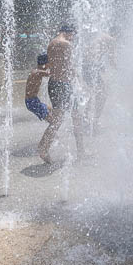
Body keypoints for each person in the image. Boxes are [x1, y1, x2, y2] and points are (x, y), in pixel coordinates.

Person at [36, 24, 83, 163]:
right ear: (69, 33)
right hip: (64, 85)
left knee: (58, 120)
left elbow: (54, 65)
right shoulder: (66, 44)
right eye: (73, 35)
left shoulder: (52, 43)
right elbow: (69, 66)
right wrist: (80, 82)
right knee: (75, 117)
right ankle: (81, 152)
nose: (74, 38)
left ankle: (43, 147)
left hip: (54, 84)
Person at [24, 54, 51, 121]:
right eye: (49, 63)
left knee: (54, 111)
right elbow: (51, 74)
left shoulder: (36, 71)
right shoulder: (38, 72)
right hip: (32, 102)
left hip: (34, 100)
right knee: (53, 121)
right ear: (45, 63)